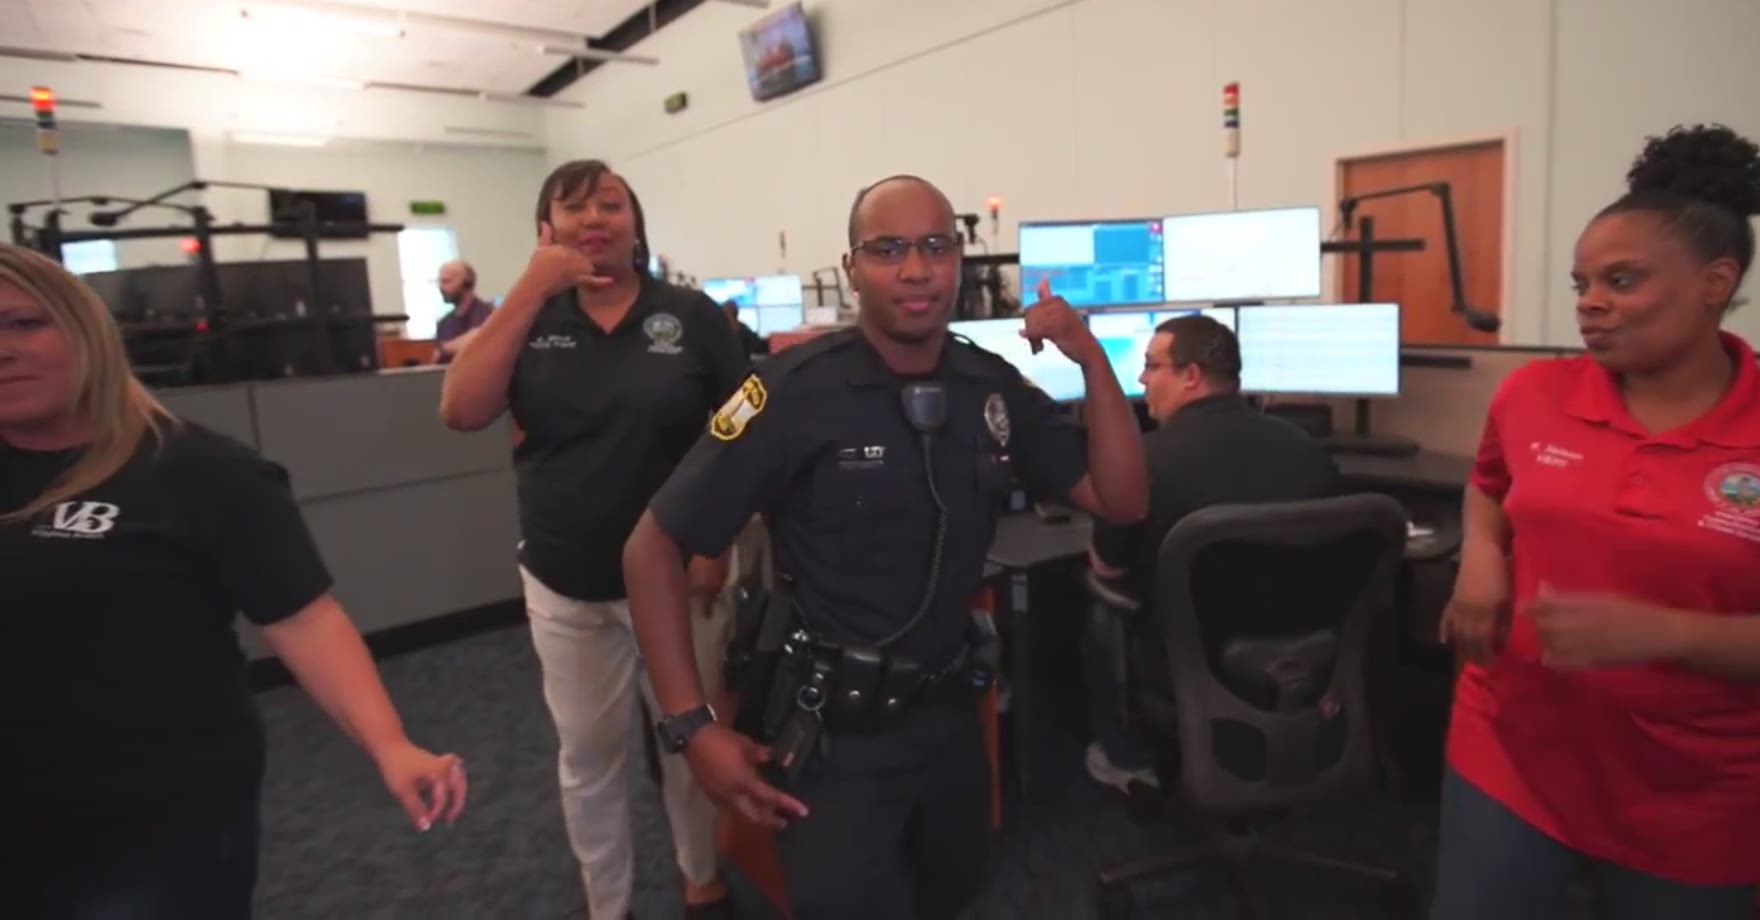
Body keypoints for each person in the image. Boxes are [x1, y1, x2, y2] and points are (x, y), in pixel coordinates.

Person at [622, 174, 1150, 919]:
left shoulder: (987, 386)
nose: (915, 269)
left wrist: (1089, 356)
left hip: (949, 719)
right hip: (835, 735)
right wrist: (690, 724)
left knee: (953, 889)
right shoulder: (788, 390)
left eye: (936, 246)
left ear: (960, 258)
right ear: (852, 268)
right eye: (888, 249)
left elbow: (1121, 498)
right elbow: (652, 546)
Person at [1429, 125, 1760, 919]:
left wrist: (1662, 632)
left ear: (1714, 282)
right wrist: (1481, 561)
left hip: (1696, 795)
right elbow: (1489, 487)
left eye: (1622, 281)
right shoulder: (1533, 395)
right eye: (1581, 282)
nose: (1591, 303)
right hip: (1510, 751)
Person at [0, 244, 467, 919]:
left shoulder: (197, 472)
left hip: (143, 831)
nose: (3, 348)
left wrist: (390, 745)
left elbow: (304, 620)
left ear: (84, 331)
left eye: (24, 324)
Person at [438, 160, 746, 920]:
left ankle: (700, 875)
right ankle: (607, 905)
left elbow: (742, 421)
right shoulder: (528, 319)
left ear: (636, 225)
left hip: (680, 576)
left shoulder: (694, 317)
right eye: (572, 208)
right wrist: (529, 290)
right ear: (546, 230)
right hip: (567, 579)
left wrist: (717, 537)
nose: (594, 219)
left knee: (691, 740)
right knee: (590, 754)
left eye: (610, 204)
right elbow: (460, 409)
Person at [1081, 313, 1335, 791]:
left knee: (1100, 607)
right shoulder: (1306, 449)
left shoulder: (1143, 459)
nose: (1141, 379)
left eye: (1152, 366)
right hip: (1298, 657)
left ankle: (1127, 758)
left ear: (1191, 376)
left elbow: (1105, 566)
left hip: (1184, 659)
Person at [434, 259, 495, 362]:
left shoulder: (489, 314)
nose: (441, 287)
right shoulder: (443, 324)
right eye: (440, 281)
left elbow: (482, 339)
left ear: (467, 283)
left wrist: (446, 348)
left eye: (447, 281)